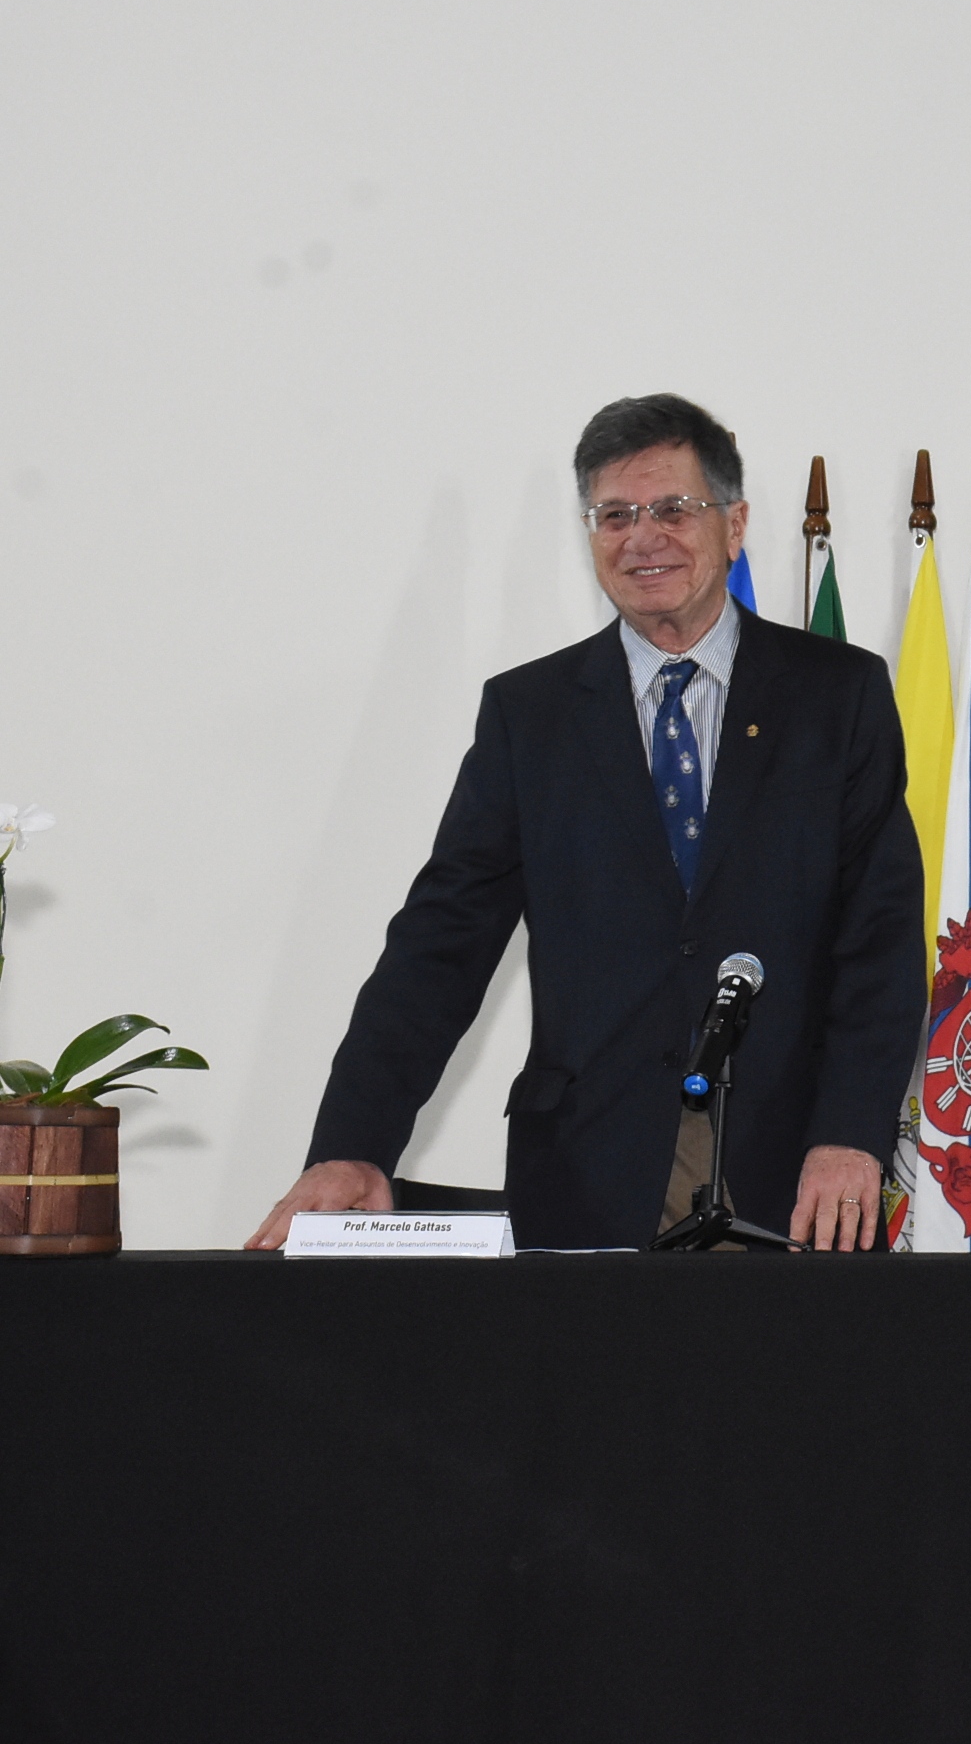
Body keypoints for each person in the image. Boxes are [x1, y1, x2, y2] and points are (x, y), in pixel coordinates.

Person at [248, 395, 925, 1252]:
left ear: (735, 524)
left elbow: (881, 941)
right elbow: (439, 946)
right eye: (615, 515)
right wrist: (352, 1145)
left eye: (675, 509)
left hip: (793, 1174)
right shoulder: (529, 715)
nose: (645, 538)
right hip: (586, 1170)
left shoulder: (839, 696)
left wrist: (851, 1133)